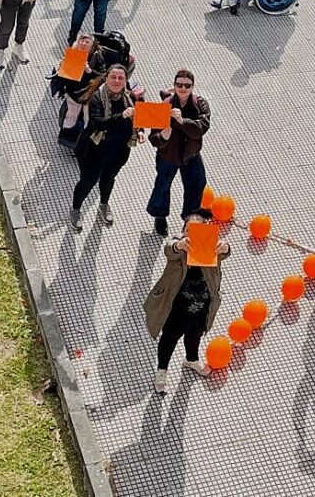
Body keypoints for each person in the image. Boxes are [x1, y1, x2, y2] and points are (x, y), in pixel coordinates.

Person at [144, 207, 231, 394]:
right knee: (169, 339)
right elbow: (170, 249)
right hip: (176, 309)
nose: (192, 235)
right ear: (183, 230)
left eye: (197, 231)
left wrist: (225, 248)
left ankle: (191, 360)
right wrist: (180, 245)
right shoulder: (179, 246)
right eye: (188, 230)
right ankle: (162, 371)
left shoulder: (210, 246)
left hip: (201, 308)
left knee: (194, 336)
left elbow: (224, 253)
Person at [68, 64, 144, 231]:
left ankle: (104, 204)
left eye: (121, 78)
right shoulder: (97, 98)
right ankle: (75, 209)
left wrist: (140, 132)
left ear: (125, 80)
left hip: (119, 151)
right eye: (113, 77)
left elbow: (140, 118)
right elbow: (98, 123)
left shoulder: (131, 97)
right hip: (94, 150)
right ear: (106, 78)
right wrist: (121, 116)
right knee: (88, 181)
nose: (117, 81)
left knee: (109, 179)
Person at [146, 69, 211, 236]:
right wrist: (164, 136)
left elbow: (201, 129)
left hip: (191, 154)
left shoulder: (200, 104)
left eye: (187, 85)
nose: (183, 88)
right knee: (162, 185)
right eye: (179, 85)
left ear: (192, 87)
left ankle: (190, 219)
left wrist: (182, 121)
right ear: (174, 86)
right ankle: (160, 216)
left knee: (196, 186)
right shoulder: (164, 105)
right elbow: (154, 138)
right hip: (168, 156)